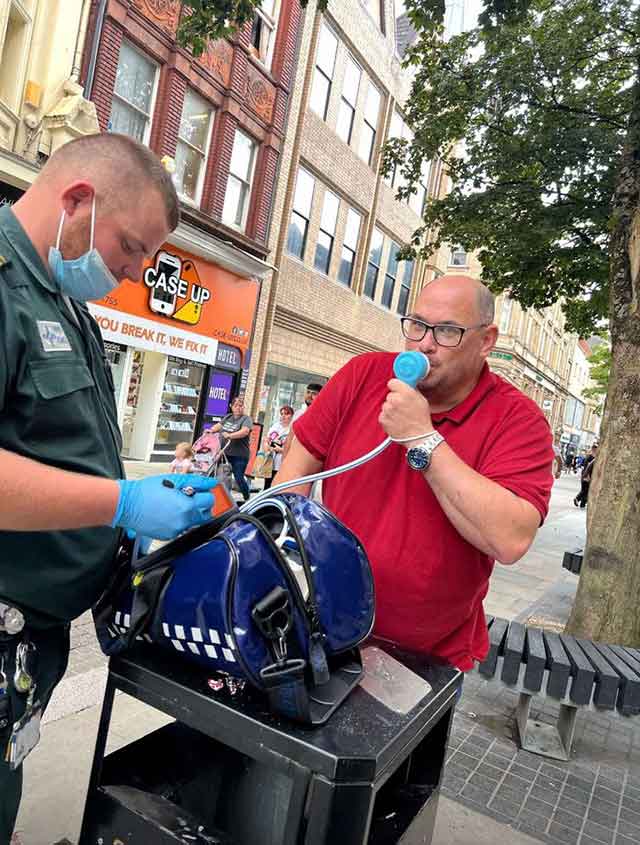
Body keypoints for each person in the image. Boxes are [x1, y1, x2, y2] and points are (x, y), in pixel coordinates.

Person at [0, 132, 218, 840]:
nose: (134, 269)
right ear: (77, 199)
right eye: (132, 244)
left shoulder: (68, 306)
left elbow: (62, 451)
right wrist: (120, 503)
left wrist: (145, 491)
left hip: (30, 639)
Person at [276, 274, 554, 671]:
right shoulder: (363, 376)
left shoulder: (517, 420)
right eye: (417, 325)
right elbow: (293, 478)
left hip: (429, 655)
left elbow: (510, 538)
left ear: (486, 340)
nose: (425, 343)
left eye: (446, 332)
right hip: (324, 628)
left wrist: (422, 438)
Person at [209, 397, 253, 501]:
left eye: (240, 406)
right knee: (215, 474)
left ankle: (247, 497)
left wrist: (230, 435)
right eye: (236, 406)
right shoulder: (228, 417)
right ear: (231, 407)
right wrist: (210, 431)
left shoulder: (246, 419)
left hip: (239, 455)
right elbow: (217, 427)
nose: (238, 408)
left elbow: (245, 431)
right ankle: (219, 497)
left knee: (238, 478)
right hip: (224, 453)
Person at [263, 405, 294, 489]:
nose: (283, 416)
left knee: (277, 487)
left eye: (287, 414)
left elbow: (294, 449)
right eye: (282, 413)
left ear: (291, 416)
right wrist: (266, 446)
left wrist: (281, 450)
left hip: (282, 463)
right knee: (267, 486)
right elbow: (266, 439)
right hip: (270, 461)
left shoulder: (292, 429)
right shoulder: (275, 426)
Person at [574, 444, 597, 508]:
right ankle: (577, 499)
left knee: (585, 490)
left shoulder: (592, 457)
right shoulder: (590, 457)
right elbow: (587, 467)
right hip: (586, 476)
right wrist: (587, 476)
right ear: (593, 449)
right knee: (585, 490)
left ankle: (582, 503)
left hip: (587, 475)